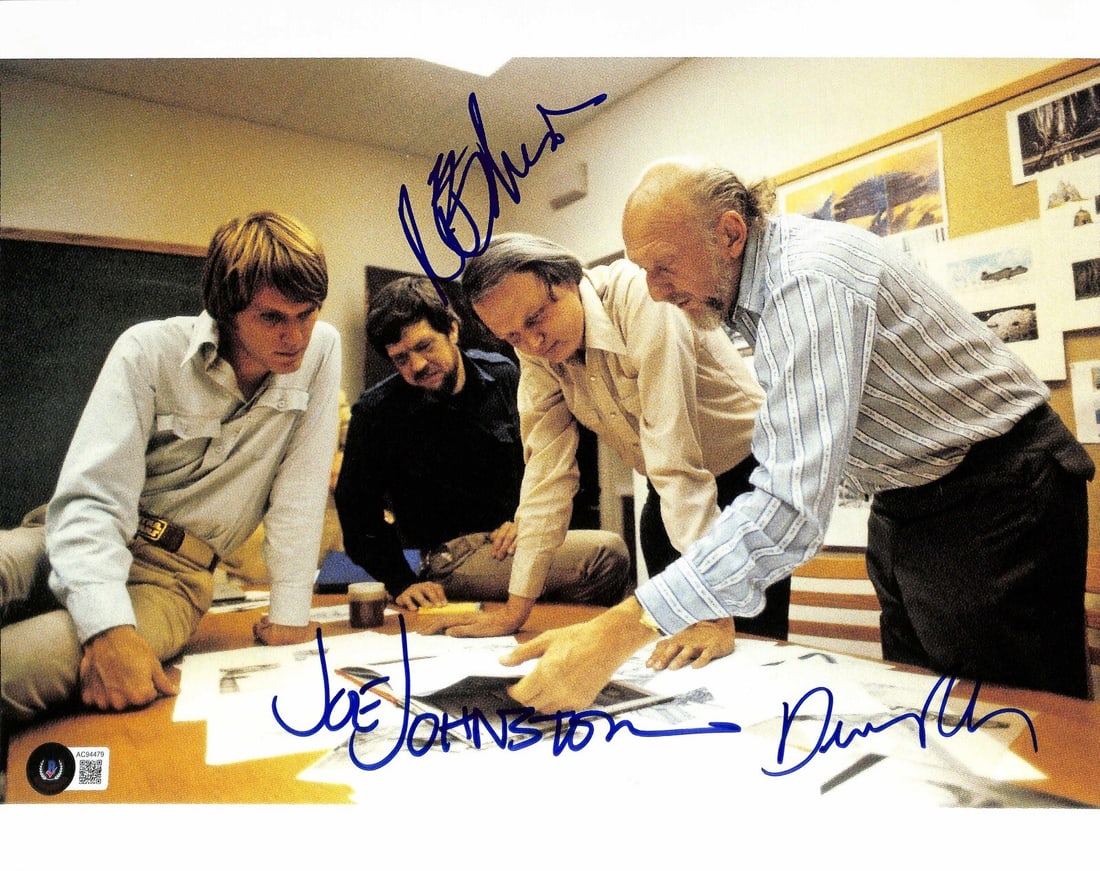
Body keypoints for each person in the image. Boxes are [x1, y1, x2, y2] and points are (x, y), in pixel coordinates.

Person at [501, 157, 1095, 712]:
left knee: (1013, 715)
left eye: (664, 266)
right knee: (929, 700)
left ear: (730, 234)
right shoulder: (750, 296)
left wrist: (615, 631)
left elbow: (789, 507)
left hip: (996, 489)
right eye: (644, 271)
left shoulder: (807, 282)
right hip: (907, 498)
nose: (655, 290)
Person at [1, 211, 342, 724]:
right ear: (227, 309)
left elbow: (301, 489)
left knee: (20, 664)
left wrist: (289, 613)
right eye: (272, 317)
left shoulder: (322, 350)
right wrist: (106, 626)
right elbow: (93, 498)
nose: (295, 336)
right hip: (68, 539)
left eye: (306, 313)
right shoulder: (147, 350)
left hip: (171, 581)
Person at [429, 232, 784, 670]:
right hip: (670, 499)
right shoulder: (537, 352)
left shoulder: (642, 299)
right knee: (673, 660)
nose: (533, 344)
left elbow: (676, 460)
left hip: (748, 485)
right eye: (513, 337)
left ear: (568, 278)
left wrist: (716, 612)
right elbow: (545, 475)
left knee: (751, 657)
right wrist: (514, 611)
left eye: (537, 318)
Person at [335, 276, 632, 615]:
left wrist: (526, 519)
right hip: (448, 559)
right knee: (604, 555)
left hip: (517, 538)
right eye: (401, 359)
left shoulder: (503, 376)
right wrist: (400, 581)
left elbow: (549, 461)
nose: (416, 365)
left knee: (594, 563)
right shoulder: (376, 412)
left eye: (424, 346)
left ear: (452, 330)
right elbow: (356, 510)